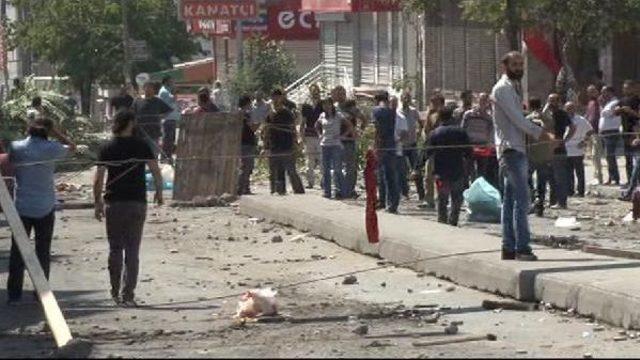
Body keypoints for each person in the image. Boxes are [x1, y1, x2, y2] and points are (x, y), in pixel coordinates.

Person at [94, 110, 163, 307]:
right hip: (137, 203)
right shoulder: (141, 145)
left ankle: (115, 292)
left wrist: (97, 201)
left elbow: (98, 177)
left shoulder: (107, 147)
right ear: (131, 123)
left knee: (115, 248)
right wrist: (159, 192)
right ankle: (129, 294)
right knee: (133, 250)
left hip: (113, 202)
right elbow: (155, 170)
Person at [6, 117, 76, 305]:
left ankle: (14, 295)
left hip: (21, 206)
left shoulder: (17, 147)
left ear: (28, 130)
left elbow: (10, 163)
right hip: (45, 206)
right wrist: (57, 133)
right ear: (48, 132)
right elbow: (72, 147)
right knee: (43, 251)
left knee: (18, 251)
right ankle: (41, 293)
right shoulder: (52, 148)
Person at [492, 51, 553, 261]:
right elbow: (517, 120)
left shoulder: (514, 88)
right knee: (523, 200)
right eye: (515, 64)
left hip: (516, 149)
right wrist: (541, 133)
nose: (519, 67)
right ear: (505, 66)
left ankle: (508, 247)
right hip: (511, 151)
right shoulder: (503, 89)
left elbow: (518, 118)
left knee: (510, 202)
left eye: (521, 64)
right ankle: (522, 248)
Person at [426, 108, 472, 226]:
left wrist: (417, 167)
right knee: (456, 198)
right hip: (457, 169)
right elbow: (468, 152)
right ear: (452, 117)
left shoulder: (435, 133)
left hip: (441, 171)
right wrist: (469, 167)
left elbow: (427, 153)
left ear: (440, 118)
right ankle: (453, 220)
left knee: (442, 198)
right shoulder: (460, 132)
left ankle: (442, 221)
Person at [264, 89, 304, 195]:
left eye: (277, 97)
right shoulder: (270, 114)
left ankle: (299, 190)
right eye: (273, 97)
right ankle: (278, 190)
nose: (275, 100)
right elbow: (267, 130)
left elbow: (292, 129)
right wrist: (265, 145)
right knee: (275, 170)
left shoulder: (287, 113)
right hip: (274, 145)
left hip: (287, 144)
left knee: (291, 169)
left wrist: (296, 142)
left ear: (281, 98)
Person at [332, 85, 368, 199]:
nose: (339, 96)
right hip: (336, 141)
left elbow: (364, 119)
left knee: (350, 167)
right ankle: (339, 189)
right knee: (337, 166)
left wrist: (360, 131)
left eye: (341, 93)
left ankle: (350, 189)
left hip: (349, 141)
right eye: (336, 93)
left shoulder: (351, 107)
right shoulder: (333, 108)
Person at [315, 98, 353, 199]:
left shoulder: (338, 115)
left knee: (337, 169)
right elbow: (317, 125)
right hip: (325, 144)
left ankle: (342, 191)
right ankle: (327, 192)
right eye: (324, 105)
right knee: (326, 170)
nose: (326, 107)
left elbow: (349, 125)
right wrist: (320, 134)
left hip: (336, 144)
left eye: (328, 104)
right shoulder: (322, 116)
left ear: (332, 105)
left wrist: (343, 136)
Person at [544, 93, 576, 209]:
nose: (551, 103)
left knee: (560, 177)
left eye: (553, 101)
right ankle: (553, 201)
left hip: (559, 149)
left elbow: (573, 127)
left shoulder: (562, 114)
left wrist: (565, 140)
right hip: (547, 149)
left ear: (558, 102)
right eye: (549, 100)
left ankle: (562, 202)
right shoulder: (547, 114)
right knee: (550, 177)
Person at [461, 92, 498, 189]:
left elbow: (491, 131)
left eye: (485, 101)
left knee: (481, 170)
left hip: (483, 146)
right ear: (478, 101)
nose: (483, 103)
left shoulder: (489, 117)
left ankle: (478, 189)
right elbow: (463, 128)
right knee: (467, 170)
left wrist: (490, 143)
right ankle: (467, 190)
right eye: (481, 100)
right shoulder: (468, 114)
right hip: (470, 145)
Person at [526, 98, 556, 217]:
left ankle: (533, 198)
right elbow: (551, 135)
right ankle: (540, 203)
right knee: (542, 181)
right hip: (544, 153)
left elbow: (525, 135)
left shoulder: (528, 119)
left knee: (527, 178)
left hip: (531, 153)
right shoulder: (548, 119)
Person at [372, 92, 400, 214]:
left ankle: (388, 203)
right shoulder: (392, 111)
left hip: (382, 145)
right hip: (391, 144)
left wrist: (376, 146)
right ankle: (390, 202)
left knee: (384, 175)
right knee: (389, 175)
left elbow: (377, 130)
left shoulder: (376, 111)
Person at [418, 93, 445, 209]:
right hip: (431, 148)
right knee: (428, 176)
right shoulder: (430, 114)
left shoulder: (444, 115)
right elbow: (426, 130)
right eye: (432, 102)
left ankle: (442, 199)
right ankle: (429, 200)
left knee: (441, 176)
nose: (433, 104)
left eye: (436, 102)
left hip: (441, 149)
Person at [132, 81, 173, 159]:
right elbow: (131, 113)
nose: (148, 89)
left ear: (154, 90)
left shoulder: (157, 101)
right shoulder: (137, 100)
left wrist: (161, 117)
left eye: (150, 88)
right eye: (146, 87)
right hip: (140, 132)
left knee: (153, 155)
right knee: (139, 155)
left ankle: (153, 169)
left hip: (154, 132)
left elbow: (169, 110)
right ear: (143, 89)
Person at [397, 91, 424, 201]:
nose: (406, 100)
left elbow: (421, 124)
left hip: (412, 144)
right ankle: (404, 193)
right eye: (404, 98)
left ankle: (421, 193)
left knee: (416, 169)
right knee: (402, 170)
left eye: (408, 98)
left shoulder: (414, 112)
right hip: (402, 145)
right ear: (401, 99)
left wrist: (419, 132)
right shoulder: (398, 112)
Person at [565, 102, 594, 198]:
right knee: (568, 172)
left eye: (571, 108)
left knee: (579, 172)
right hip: (566, 148)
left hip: (577, 149)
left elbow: (590, 131)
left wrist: (584, 141)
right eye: (567, 108)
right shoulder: (564, 119)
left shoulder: (581, 120)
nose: (569, 110)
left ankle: (581, 191)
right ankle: (570, 191)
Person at [615, 80, 640, 185]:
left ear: (633, 88)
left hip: (635, 131)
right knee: (628, 157)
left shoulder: (637, 100)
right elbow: (616, 112)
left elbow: (638, 115)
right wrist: (618, 110)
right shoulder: (622, 100)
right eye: (624, 88)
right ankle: (630, 180)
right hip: (625, 131)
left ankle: (637, 181)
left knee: (636, 157)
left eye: (627, 88)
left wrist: (630, 111)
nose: (625, 90)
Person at [300, 84, 323, 189]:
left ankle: (324, 182)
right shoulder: (306, 106)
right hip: (309, 135)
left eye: (317, 91)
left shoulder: (322, 105)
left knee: (321, 159)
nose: (315, 93)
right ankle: (310, 182)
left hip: (320, 135)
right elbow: (303, 122)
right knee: (309, 159)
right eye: (313, 91)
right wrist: (301, 135)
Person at [599, 86, 622, 186]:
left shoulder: (616, 102)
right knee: (608, 157)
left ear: (610, 92)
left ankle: (615, 178)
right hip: (605, 132)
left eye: (604, 92)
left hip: (611, 132)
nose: (602, 94)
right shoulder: (607, 104)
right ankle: (611, 177)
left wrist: (605, 111)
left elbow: (610, 114)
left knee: (610, 155)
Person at [238, 95, 259, 196]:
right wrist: (259, 123)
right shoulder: (245, 114)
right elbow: (252, 128)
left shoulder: (237, 113)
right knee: (247, 167)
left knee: (243, 166)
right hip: (247, 143)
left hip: (241, 142)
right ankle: (243, 188)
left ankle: (243, 187)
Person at [158, 76, 181, 163]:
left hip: (171, 118)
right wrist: (175, 91)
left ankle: (168, 156)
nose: (172, 83)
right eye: (171, 81)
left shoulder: (167, 91)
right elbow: (173, 99)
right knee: (168, 139)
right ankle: (165, 158)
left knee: (170, 139)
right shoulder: (164, 92)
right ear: (166, 82)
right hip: (168, 118)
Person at [585, 85, 603, 184]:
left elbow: (598, 116)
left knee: (596, 154)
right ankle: (595, 175)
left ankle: (599, 177)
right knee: (592, 155)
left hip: (596, 131)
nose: (591, 93)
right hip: (590, 132)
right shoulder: (590, 103)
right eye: (589, 91)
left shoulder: (598, 102)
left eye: (593, 91)